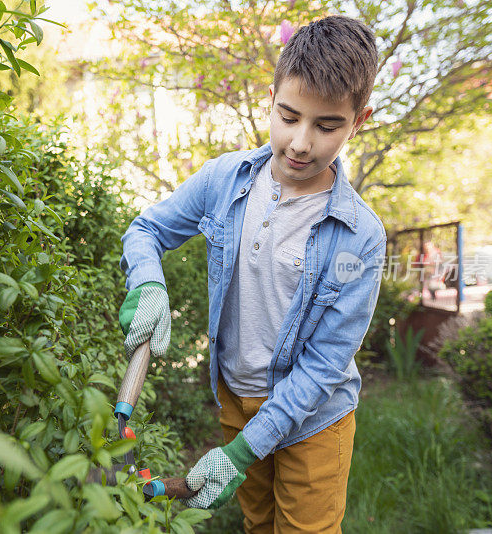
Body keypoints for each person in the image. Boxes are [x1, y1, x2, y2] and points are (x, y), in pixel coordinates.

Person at [118, 15, 385, 533]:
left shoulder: (360, 237)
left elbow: (324, 367)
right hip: (236, 399)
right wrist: (148, 283)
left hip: (313, 417)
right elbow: (145, 230)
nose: (300, 143)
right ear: (271, 99)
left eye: (326, 125)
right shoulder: (225, 180)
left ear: (359, 121)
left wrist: (242, 451)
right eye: (288, 116)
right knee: (257, 525)